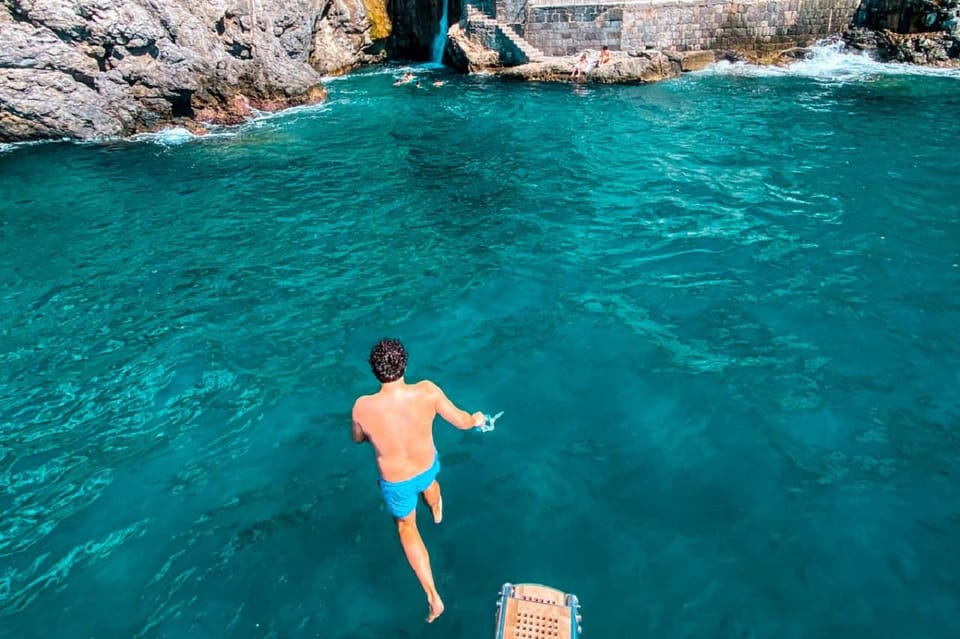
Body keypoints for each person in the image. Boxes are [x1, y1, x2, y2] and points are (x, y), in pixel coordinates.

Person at [352, 338, 485, 623]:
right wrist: (476, 419)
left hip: (396, 481)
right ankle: (437, 511)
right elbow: (462, 421)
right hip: (426, 466)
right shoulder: (428, 391)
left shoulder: (362, 407)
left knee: (406, 527)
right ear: (405, 364)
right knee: (429, 483)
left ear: (374, 371)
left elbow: (358, 438)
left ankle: (433, 598)